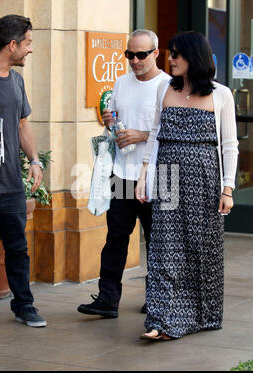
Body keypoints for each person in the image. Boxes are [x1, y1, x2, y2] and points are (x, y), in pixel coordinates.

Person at [136, 31, 238, 340]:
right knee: (164, 249)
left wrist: (228, 189)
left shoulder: (221, 94)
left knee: (199, 250)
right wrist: (144, 175)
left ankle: (200, 315)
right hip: (167, 175)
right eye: (170, 53)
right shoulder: (164, 88)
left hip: (205, 181)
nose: (171, 59)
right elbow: (155, 134)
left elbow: (230, 145)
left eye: (177, 54)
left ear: (194, 57)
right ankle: (161, 321)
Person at [77, 30, 171, 318]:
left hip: (162, 174)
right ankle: (107, 299)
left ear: (156, 53)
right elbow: (114, 122)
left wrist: (140, 135)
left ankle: (158, 298)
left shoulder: (169, 86)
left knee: (161, 240)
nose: (134, 60)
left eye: (141, 54)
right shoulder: (120, 82)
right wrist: (110, 121)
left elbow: (173, 132)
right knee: (116, 236)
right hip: (122, 172)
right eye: (129, 54)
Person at [0, 15, 47, 327]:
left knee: (18, 248)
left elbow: (22, 123)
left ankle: (24, 306)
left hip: (11, 184)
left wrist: (34, 159)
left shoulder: (17, 81)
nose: (30, 50)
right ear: (12, 45)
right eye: (28, 43)